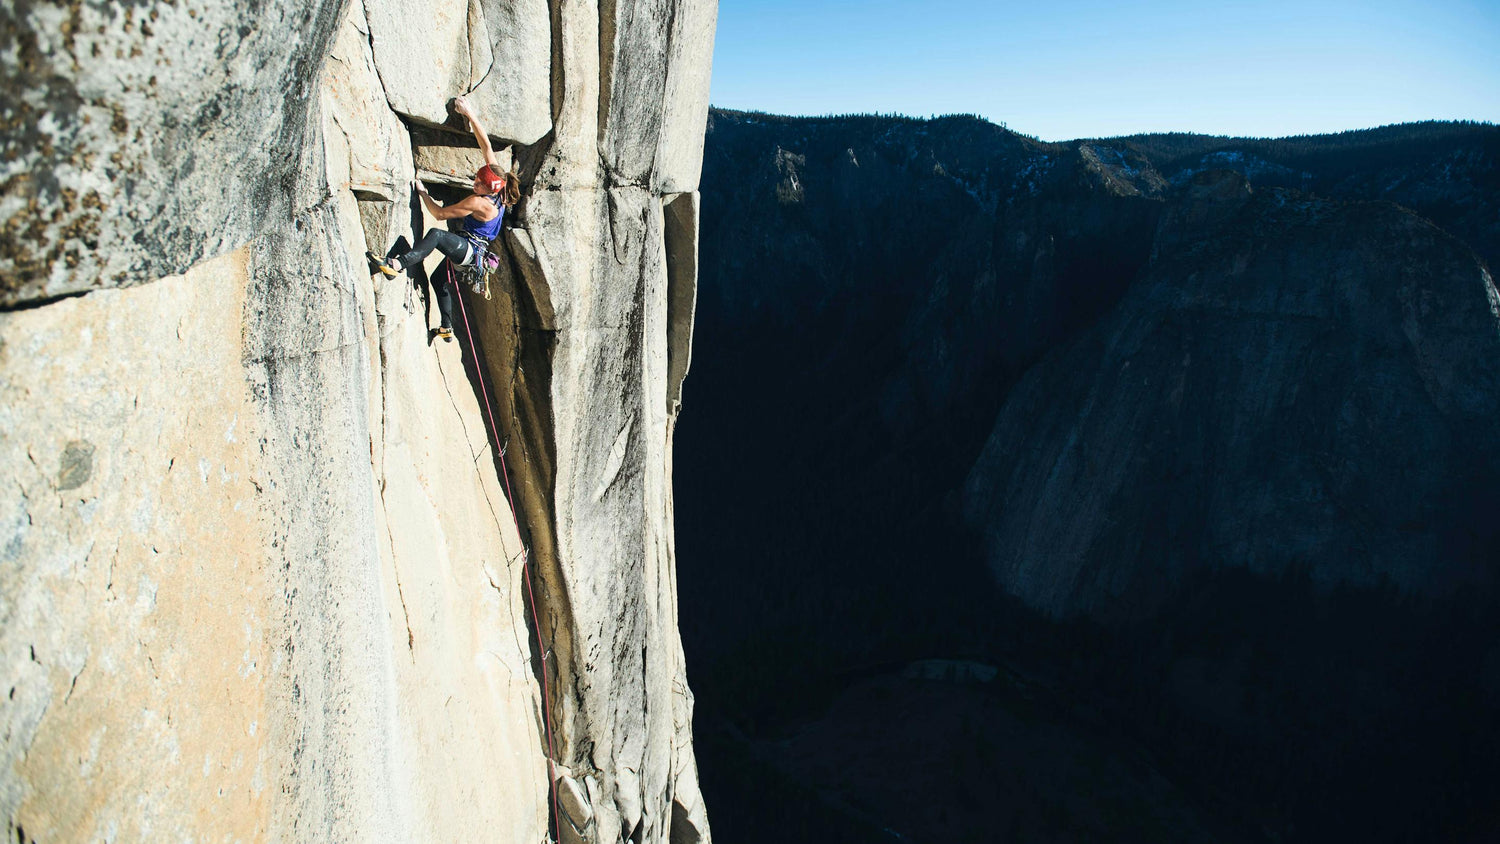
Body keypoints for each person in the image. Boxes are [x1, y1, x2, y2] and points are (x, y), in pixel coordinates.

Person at [367, 96, 520, 340]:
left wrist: (424, 193)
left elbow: (438, 214)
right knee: (439, 278)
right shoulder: (498, 189)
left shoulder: (479, 203)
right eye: (476, 179)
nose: (474, 183)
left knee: (437, 236)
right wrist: (469, 114)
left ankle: (396, 265)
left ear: (489, 189)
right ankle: (447, 327)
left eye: (479, 183)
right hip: (475, 254)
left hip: (469, 252)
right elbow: (486, 147)